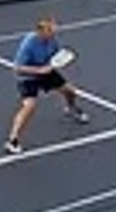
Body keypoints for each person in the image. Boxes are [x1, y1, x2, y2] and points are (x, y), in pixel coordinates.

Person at [5, 17, 88, 154]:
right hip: (27, 77)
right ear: (40, 31)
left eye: (54, 30)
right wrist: (39, 70)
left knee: (70, 91)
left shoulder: (51, 40)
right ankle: (12, 141)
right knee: (29, 106)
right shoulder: (28, 45)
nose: (53, 33)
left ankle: (71, 108)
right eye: (51, 31)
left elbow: (55, 56)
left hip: (46, 71)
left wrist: (58, 61)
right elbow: (17, 68)